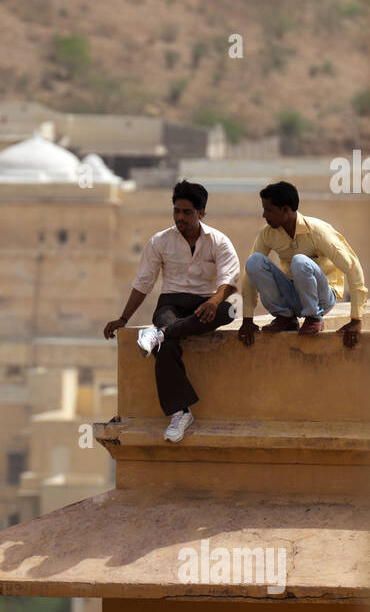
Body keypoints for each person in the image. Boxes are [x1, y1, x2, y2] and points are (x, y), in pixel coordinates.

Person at [103, 180, 240, 443]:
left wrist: (214, 301)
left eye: (187, 212)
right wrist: (123, 318)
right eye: (176, 211)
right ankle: (180, 412)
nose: (180, 217)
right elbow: (143, 282)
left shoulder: (219, 242)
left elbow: (230, 280)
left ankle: (160, 333)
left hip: (207, 303)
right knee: (165, 346)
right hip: (172, 303)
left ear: (201, 213)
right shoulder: (160, 242)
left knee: (228, 312)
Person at [237, 181, 365, 349]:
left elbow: (352, 267)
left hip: (322, 299)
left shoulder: (317, 231)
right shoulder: (267, 234)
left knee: (299, 261)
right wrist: (247, 319)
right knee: (253, 261)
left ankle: (314, 319)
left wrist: (356, 319)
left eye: (269, 210)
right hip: (293, 296)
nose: (264, 215)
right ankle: (285, 318)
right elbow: (250, 276)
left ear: (285, 210)